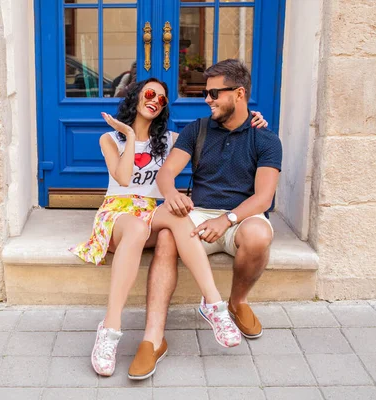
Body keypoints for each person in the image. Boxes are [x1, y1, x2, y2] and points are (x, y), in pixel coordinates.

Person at [70, 77, 268, 377]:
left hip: (151, 212)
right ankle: (110, 329)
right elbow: (123, 178)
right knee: (137, 229)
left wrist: (254, 122)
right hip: (119, 214)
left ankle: (214, 304)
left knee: (177, 217)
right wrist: (128, 135)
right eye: (150, 94)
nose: (155, 101)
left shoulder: (173, 139)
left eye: (162, 99)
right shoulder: (111, 139)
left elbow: (214, 131)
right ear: (136, 96)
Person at [127, 59, 282, 380]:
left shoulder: (265, 139)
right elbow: (167, 174)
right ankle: (152, 339)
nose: (207, 100)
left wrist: (227, 220)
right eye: (205, 93)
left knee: (258, 236)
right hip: (198, 216)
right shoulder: (196, 129)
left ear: (239, 94)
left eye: (214, 93)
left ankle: (237, 303)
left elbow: (263, 198)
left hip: (241, 217)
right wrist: (171, 195)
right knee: (169, 235)